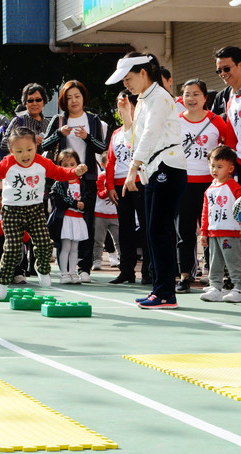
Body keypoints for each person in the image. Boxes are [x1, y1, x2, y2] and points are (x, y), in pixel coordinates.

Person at [106, 52, 187, 309]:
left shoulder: (160, 97)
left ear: (143, 72)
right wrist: (127, 115)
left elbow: (151, 135)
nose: (126, 85)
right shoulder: (143, 98)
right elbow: (135, 137)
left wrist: (132, 169)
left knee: (158, 230)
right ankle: (160, 290)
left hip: (167, 167)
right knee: (154, 231)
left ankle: (165, 293)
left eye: (128, 78)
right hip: (153, 169)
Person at [0, 127, 87, 300]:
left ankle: (42, 268)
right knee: (12, 249)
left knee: (45, 243)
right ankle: (2, 281)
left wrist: (75, 172)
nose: (25, 155)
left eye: (29, 150)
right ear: (11, 151)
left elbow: (59, 173)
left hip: (35, 209)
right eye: (19, 151)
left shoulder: (42, 162)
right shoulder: (8, 163)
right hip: (12, 211)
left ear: (36, 147)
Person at [42, 80, 107, 283]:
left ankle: (84, 268)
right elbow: (44, 143)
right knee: (64, 222)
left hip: (86, 178)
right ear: (63, 100)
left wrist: (87, 137)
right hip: (63, 178)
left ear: (83, 98)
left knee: (86, 222)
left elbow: (100, 146)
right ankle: (65, 271)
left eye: (77, 96)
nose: (73, 101)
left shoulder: (93, 119)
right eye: (69, 97)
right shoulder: (60, 119)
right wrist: (59, 134)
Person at [175, 79, 228, 293]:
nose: (191, 98)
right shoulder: (176, 121)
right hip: (184, 183)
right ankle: (185, 276)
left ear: (205, 97)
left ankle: (213, 276)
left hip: (211, 185)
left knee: (212, 231)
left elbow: (228, 148)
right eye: (187, 94)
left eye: (196, 94)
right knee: (184, 232)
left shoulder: (217, 121)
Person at [105, 91, 149, 284]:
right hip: (120, 186)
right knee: (125, 229)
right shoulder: (115, 133)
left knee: (147, 227)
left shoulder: (142, 129)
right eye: (119, 105)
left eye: (126, 104)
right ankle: (127, 271)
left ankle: (148, 271)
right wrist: (110, 186)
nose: (122, 108)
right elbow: (110, 161)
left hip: (140, 182)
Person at [199, 146, 241, 302]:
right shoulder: (209, 189)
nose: (214, 169)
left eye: (219, 166)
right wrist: (204, 232)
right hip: (214, 232)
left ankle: (238, 287)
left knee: (233, 261)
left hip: (230, 231)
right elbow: (205, 213)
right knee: (214, 262)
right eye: (212, 165)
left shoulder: (234, 187)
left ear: (230, 168)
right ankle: (216, 287)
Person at [48, 149, 90, 284]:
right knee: (65, 247)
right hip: (65, 218)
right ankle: (64, 274)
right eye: (65, 165)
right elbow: (58, 200)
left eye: (72, 164)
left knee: (74, 248)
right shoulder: (59, 183)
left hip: (77, 219)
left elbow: (86, 197)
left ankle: (73, 272)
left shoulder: (81, 183)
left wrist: (83, 203)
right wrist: (75, 203)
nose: (69, 168)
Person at [0, 83, 51, 155]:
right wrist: (30, 139)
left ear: (43, 101)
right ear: (25, 103)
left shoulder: (48, 124)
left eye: (38, 100)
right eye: (30, 100)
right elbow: (4, 144)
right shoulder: (18, 121)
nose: (34, 103)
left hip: (42, 165)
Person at [92, 164, 120, 271]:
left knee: (118, 240)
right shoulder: (101, 176)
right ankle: (97, 260)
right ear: (103, 164)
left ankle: (121, 259)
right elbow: (100, 194)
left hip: (115, 214)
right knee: (98, 239)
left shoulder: (117, 176)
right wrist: (109, 189)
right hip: (100, 213)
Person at [210, 46, 241, 120]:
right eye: (219, 71)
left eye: (226, 69)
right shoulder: (221, 97)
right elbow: (213, 125)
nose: (223, 74)